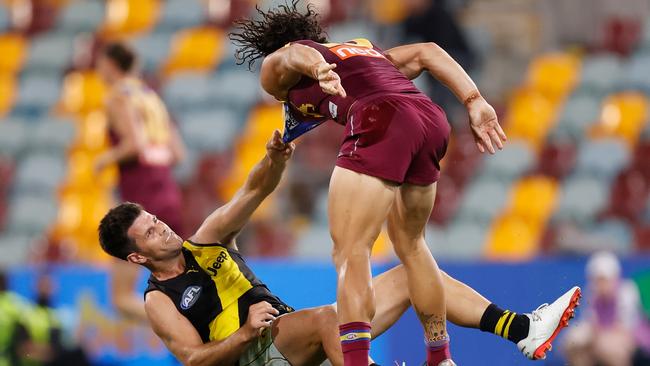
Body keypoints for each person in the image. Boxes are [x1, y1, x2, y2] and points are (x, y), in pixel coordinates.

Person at [97, 130, 581, 366]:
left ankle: (522, 328)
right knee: (333, 318)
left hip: (289, 344)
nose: (163, 228)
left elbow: (252, 193)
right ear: (136, 256)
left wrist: (274, 159)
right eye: (151, 232)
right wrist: (244, 334)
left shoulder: (206, 239)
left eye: (157, 220)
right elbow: (192, 359)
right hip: (254, 357)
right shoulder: (158, 299)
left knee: (407, 275)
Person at [229, 1, 506, 364]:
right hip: (429, 119)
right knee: (411, 244)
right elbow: (428, 52)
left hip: (381, 117)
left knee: (351, 250)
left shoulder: (283, 64)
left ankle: (357, 361)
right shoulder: (364, 51)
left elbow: (293, 55)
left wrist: (317, 68)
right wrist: (474, 100)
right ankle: (440, 357)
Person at [95, 42, 186, 323]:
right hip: (168, 193)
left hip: (139, 205)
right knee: (181, 281)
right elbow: (178, 153)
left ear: (110, 65)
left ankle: (183, 326)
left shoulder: (117, 98)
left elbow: (133, 145)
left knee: (121, 299)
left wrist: (103, 160)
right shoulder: (151, 97)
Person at [563, 251, 647, 366]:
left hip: (633, 340)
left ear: (614, 278)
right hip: (601, 337)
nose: (600, 284)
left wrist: (599, 340)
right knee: (573, 345)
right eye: (596, 279)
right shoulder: (591, 291)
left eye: (603, 279)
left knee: (608, 350)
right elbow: (590, 323)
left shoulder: (627, 291)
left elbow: (625, 331)